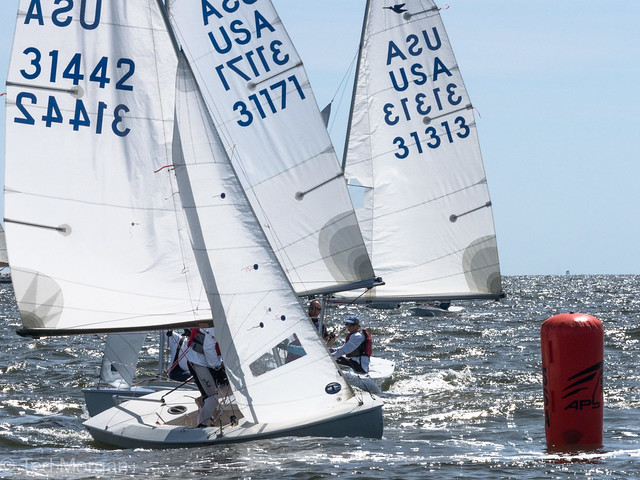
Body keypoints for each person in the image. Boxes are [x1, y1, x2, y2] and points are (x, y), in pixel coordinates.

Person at [186, 327, 229, 428]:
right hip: (198, 361)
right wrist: (217, 368)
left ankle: (202, 401)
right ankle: (201, 427)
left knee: (230, 387)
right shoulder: (214, 325)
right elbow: (208, 348)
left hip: (213, 361)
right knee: (213, 398)